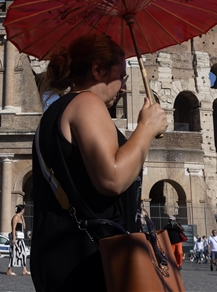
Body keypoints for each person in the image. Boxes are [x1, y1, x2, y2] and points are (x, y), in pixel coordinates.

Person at [30, 34, 168, 291]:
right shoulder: (87, 103)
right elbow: (112, 179)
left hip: (59, 256)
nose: (123, 87)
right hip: (90, 259)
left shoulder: (52, 115)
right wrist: (146, 128)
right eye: (121, 76)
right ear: (97, 70)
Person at [6, 204, 31, 276]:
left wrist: (23, 219)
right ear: (22, 210)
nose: (24, 210)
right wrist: (14, 238)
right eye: (24, 209)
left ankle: (24, 270)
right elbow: (13, 228)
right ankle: (9, 270)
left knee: (23, 253)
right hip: (16, 238)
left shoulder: (21, 217)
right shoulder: (16, 217)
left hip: (21, 238)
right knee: (13, 254)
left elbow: (24, 227)